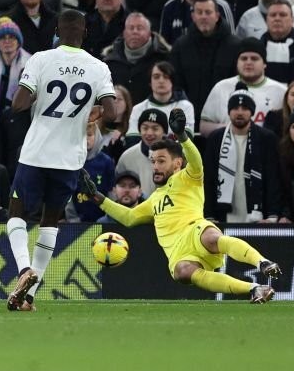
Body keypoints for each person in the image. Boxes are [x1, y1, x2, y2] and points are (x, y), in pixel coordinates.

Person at [79, 108, 279, 303]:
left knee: (211, 237)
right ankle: (254, 288)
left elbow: (196, 162)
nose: (155, 166)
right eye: (153, 161)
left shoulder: (188, 177)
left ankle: (262, 262)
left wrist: (182, 136)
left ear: (176, 164)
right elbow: (129, 218)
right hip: (178, 252)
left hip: (195, 230)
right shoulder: (155, 199)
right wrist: (97, 197)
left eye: (161, 161)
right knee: (183, 272)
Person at [5, 9, 116, 312]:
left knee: (16, 213)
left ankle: (24, 269)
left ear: (56, 31)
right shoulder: (98, 67)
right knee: (50, 220)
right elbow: (113, 113)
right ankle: (29, 296)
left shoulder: (40, 59)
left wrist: (31, 94)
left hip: (37, 152)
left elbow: (19, 104)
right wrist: (90, 110)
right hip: (69, 158)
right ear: (85, 33)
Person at [204, 84, 284, 223]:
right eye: (235, 108)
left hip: (258, 217)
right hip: (224, 216)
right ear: (229, 111)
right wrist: (209, 215)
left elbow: (273, 179)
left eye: (245, 108)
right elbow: (208, 179)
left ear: (252, 112)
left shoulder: (267, 138)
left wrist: (272, 216)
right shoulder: (215, 138)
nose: (239, 112)